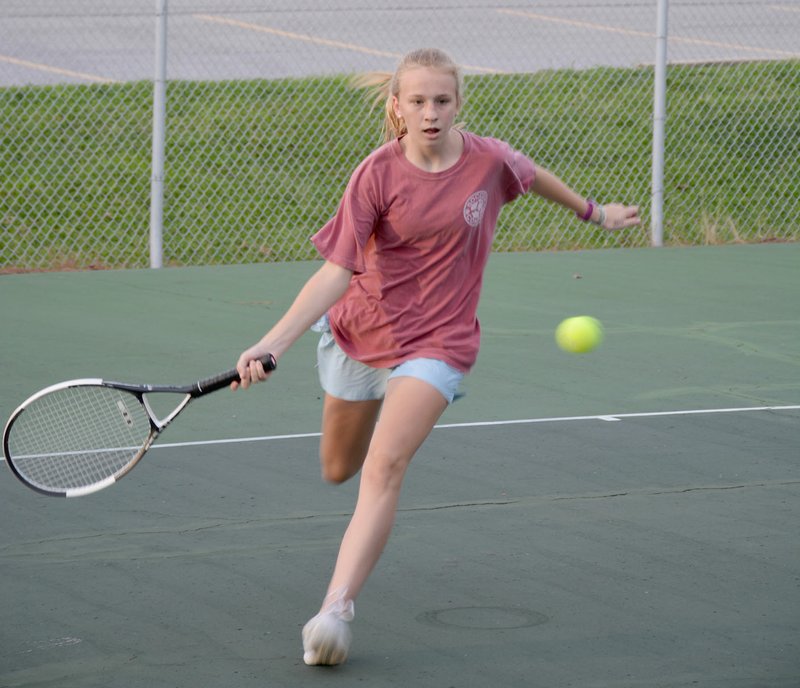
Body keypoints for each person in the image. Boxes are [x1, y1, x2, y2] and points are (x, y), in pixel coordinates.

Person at [232, 47, 640, 666]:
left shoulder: (488, 161)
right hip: (358, 334)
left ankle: (336, 608)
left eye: (442, 100)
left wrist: (595, 212)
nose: (430, 112)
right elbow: (335, 273)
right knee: (338, 468)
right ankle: (343, 571)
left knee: (384, 465)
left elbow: (531, 175)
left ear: (458, 104)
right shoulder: (375, 174)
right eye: (418, 101)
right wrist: (272, 341)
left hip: (439, 342)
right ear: (397, 107)